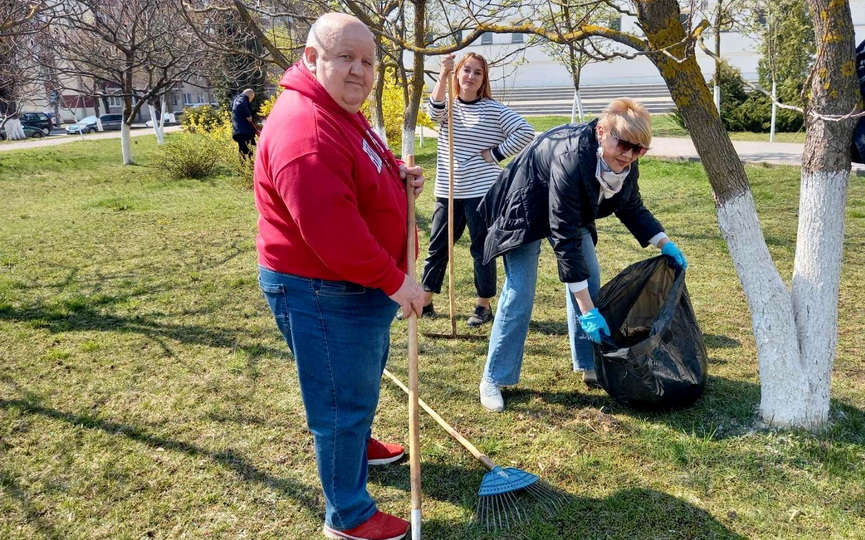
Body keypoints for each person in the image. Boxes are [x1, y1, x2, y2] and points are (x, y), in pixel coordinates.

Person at [254, 12, 425, 540]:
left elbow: (361, 161)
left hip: (355, 287)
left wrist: (396, 176)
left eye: (368, 61)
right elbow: (335, 237)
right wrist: (399, 284)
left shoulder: (338, 108)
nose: (360, 71)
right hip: (324, 289)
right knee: (337, 404)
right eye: (345, 58)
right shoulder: (305, 130)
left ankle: (359, 444)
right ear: (311, 58)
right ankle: (348, 515)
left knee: (360, 380)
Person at [476, 98, 688, 412]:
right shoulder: (571, 158)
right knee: (520, 290)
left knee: (591, 276)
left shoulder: (625, 160)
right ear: (602, 132)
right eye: (625, 145)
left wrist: (663, 242)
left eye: (639, 149)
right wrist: (586, 308)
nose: (629, 155)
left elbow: (630, 205)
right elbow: (565, 238)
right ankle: (494, 377)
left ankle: (588, 364)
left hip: (569, 209)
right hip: (526, 206)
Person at [416, 52, 535, 326]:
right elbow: (432, 113)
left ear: (483, 80)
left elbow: (525, 132)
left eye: (477, 72)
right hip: (448, 190)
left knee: (482, 249)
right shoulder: (449, 106)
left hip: (481, 192)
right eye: (466, 70)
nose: (470, 76)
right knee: (438, 247)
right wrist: (443, 74)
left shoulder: (493, 110)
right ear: (458, 74)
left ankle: (483, 305)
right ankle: (426, 299)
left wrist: (495, 154)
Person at [231, 88, 259, 157]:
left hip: (242, 131)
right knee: (246, 151)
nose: (251, 101)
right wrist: (248, 115)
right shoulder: (241, 99)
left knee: (247, 149)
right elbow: (240, 105)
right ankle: (246, 166)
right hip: (243, 132)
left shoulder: (237, 99)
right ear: (250, 95)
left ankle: (247, 165)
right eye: (251, 99)